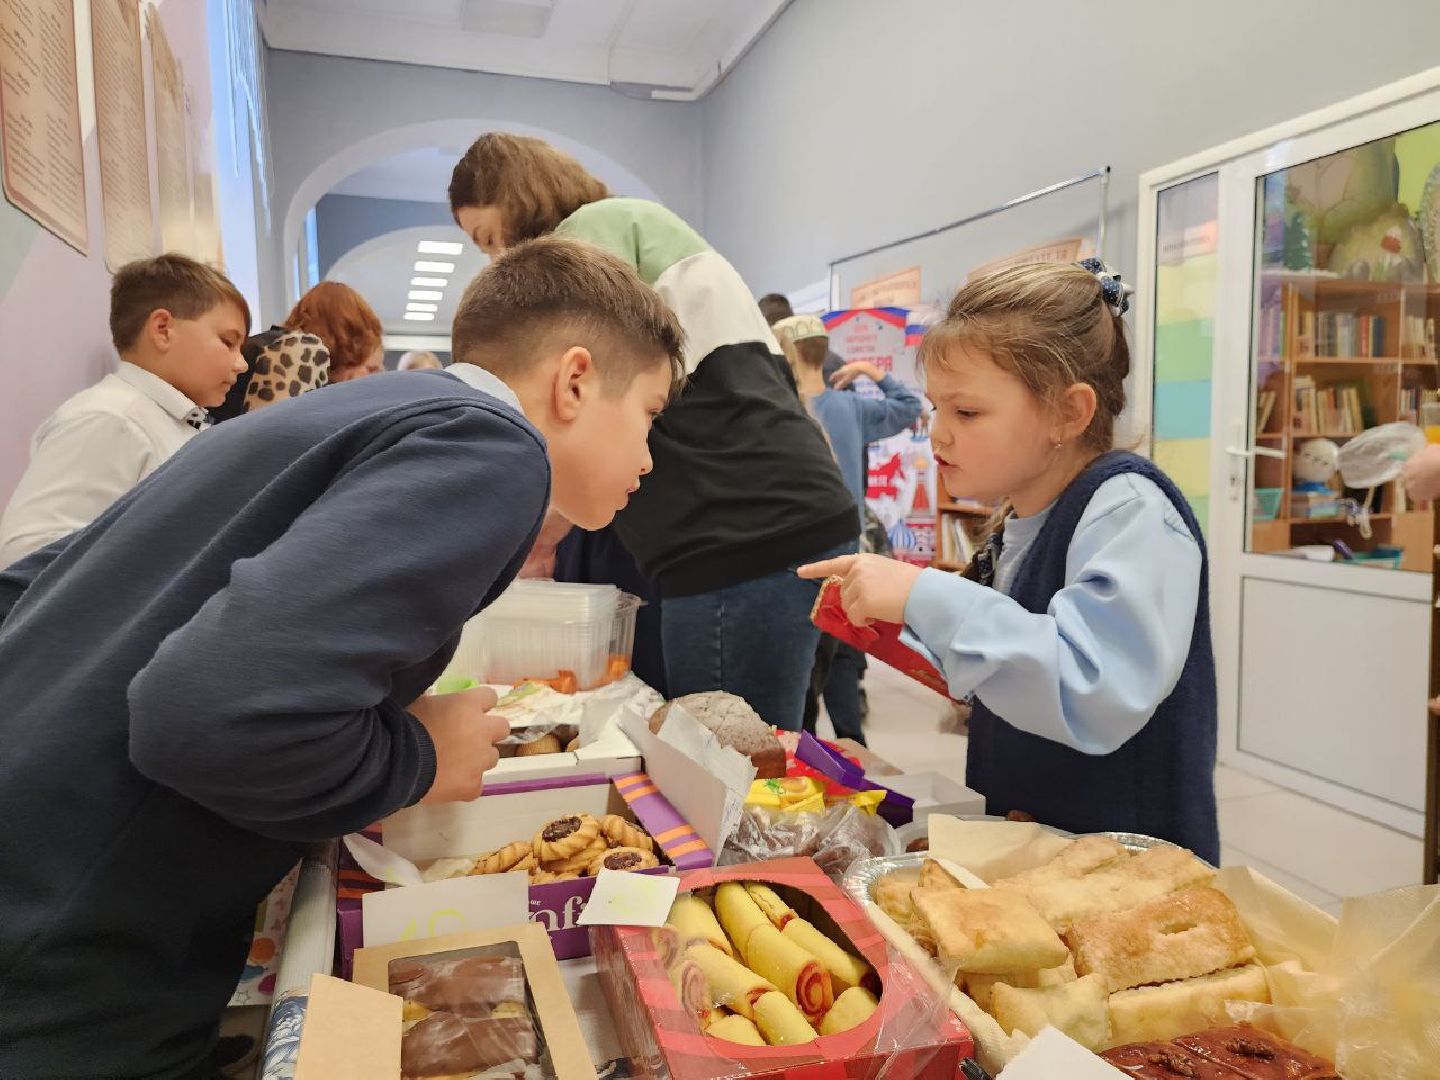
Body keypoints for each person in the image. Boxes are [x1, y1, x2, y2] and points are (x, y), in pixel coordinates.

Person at [0, 236, 683, 1078]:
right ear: (574, 381)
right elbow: (206, 713)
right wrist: (423, 754)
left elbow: (40, 584)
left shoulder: (349, 413)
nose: (651, 458)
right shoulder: (496, 450)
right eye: (651, 414)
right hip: (70, 936)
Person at [800, 260, 1220, 863]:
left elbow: (1094, 688)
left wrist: (925, 596)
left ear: (1068, 413)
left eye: (966, 413)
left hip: (1128, 873)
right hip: (1040, 849)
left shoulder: (1131, 512)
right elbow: (1023, 661)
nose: (937, 435)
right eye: (937, 409)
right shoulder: (1023, 517)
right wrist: (907, 633)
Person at [450, 133, 856, 729]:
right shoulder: (646, 229)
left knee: (722, 769)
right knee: (771, 756)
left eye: (489, 239)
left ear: (516, 199)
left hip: (737, 537)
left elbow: (563, 409)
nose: (495, 261)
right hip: (788, 519)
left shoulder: (595, 236)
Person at [0, 254, 249, 567]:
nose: (242, 363)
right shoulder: (111, 418)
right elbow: (28, 555)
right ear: (162, 329)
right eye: (228, 342)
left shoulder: (172, 422)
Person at [773, 314, 921, 744]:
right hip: (847, 552)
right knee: (842, 653)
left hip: (796, 554)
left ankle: (800, 751)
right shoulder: (851, 407)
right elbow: (910, 408)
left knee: (803, 658)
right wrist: (869, 371)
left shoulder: (782, 413)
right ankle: (853, 749)